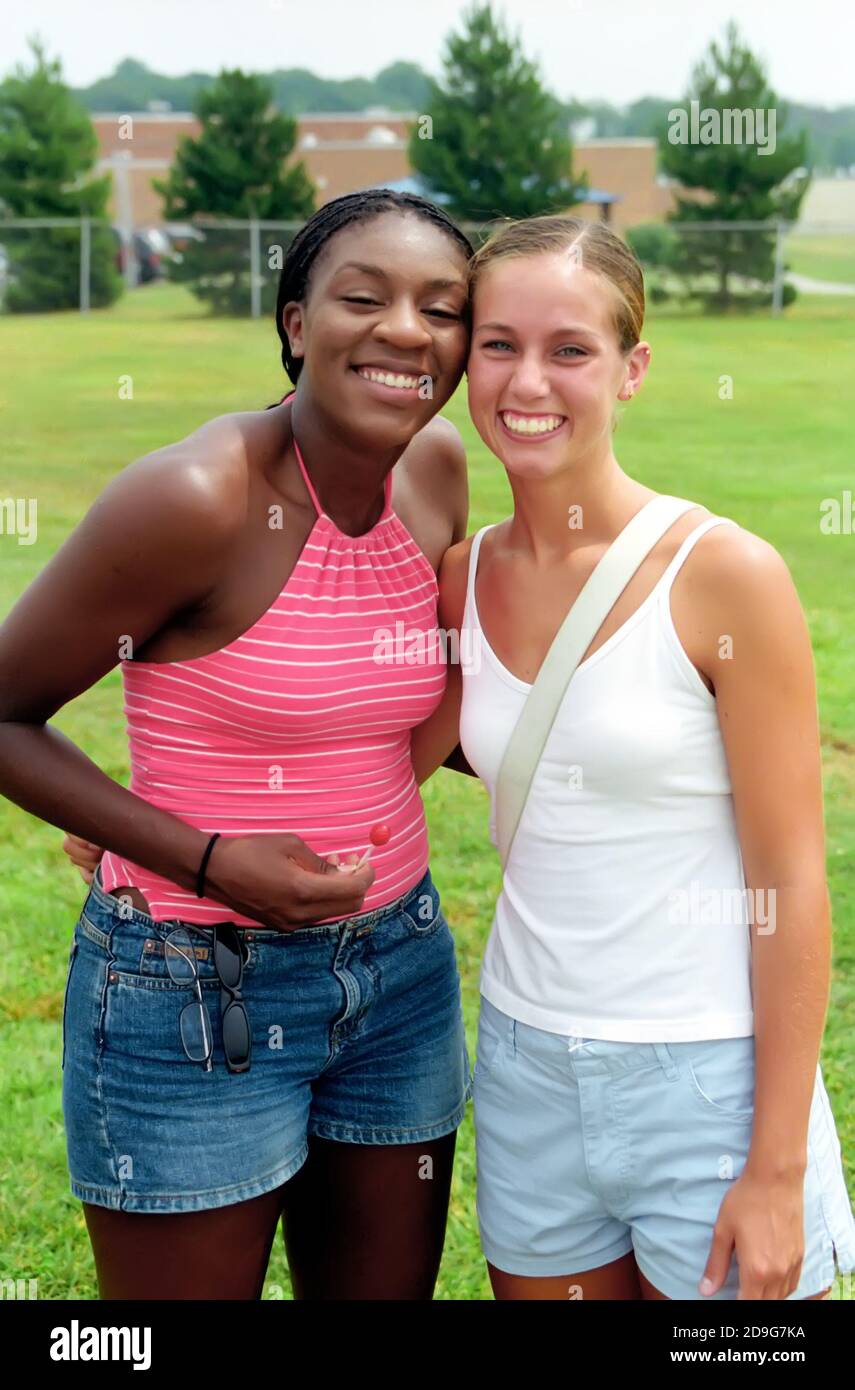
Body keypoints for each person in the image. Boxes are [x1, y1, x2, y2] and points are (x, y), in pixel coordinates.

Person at [0, 190, 477, 1300]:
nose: (406, 328)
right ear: (297, 323)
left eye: (443, 309)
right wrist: (198, 853)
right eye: (364, 297)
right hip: (190, 989)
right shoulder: (198, 495)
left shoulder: (437, 468)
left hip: (399, 973)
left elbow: (401, 709)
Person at [411, 214, 855, 1300]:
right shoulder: (462, 577)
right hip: (524, 1064)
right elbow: (381, 746)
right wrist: (161, 821)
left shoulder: (722, 575)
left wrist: (777, 1161)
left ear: (632, 368)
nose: (529, 379)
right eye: (500, 343)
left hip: (708, 1078)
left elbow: (789, 878)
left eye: (572, 349)